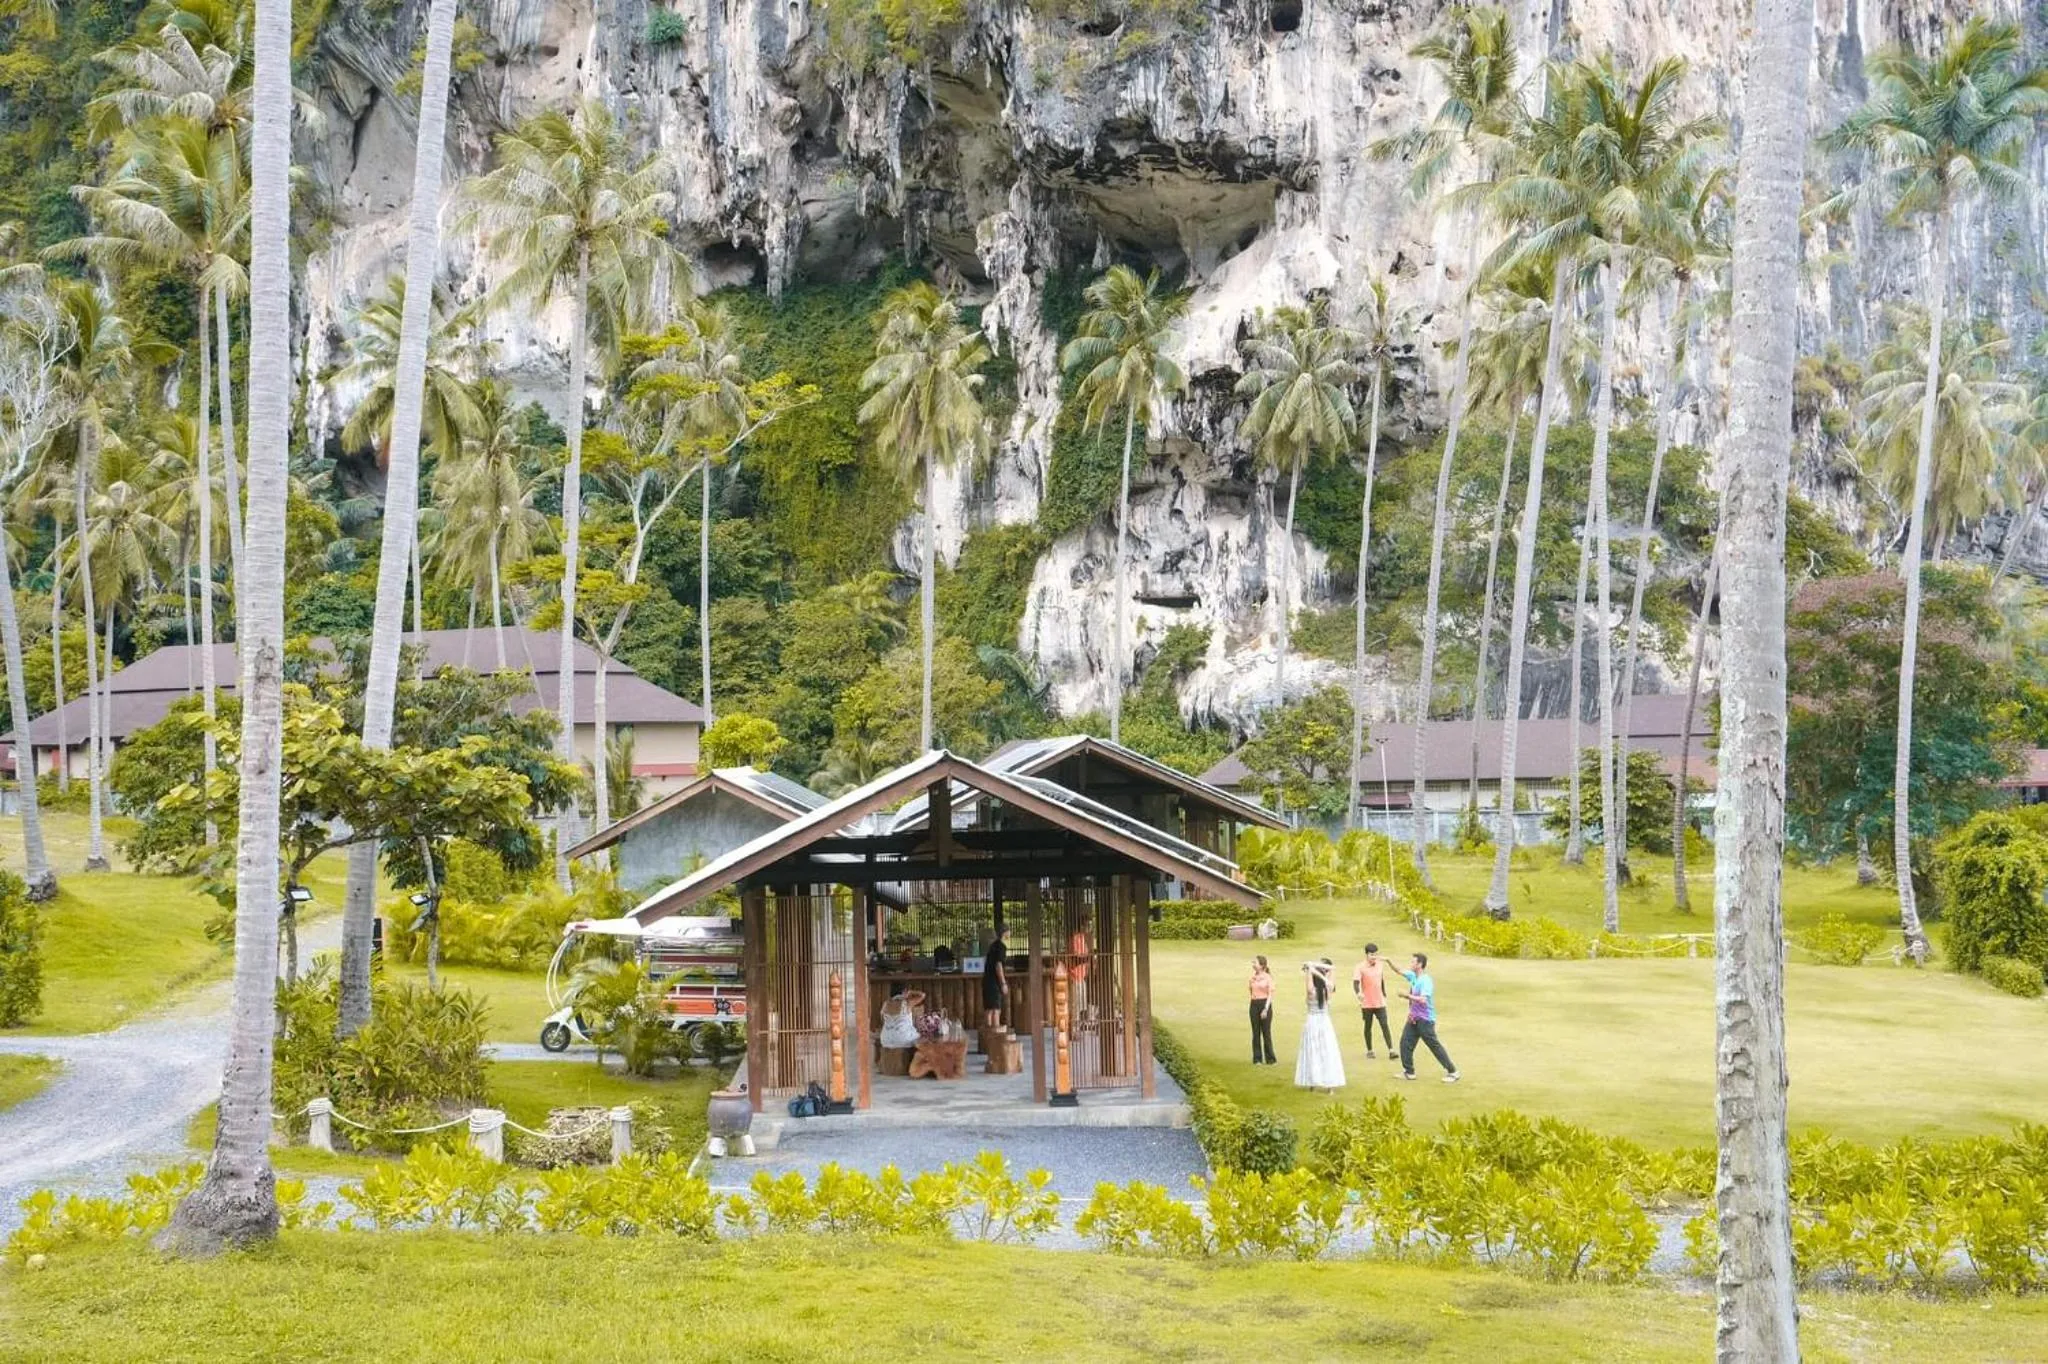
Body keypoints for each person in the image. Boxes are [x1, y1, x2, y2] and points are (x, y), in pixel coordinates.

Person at [1398, 951, 1459, 1083]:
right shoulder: (1414, 977)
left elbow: (1423, 1000)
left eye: (1413, 962)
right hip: (1414, 1018)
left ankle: (1453, 1072)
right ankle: (1409, 1072)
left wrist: (1406, 995)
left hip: (1425, 1020)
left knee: (1434, 1045)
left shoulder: (1426, 980)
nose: (1411, 964)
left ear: (1419, 964)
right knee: (1405, 1043)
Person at [1294, 959, 1346, 1093]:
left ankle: (1313, 1082)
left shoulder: (1311, 992)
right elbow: (1332, 968)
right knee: (1327, 1051)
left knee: (1313, 1051)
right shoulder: (1327, 990)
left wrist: (1311, 968)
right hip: (1324, 1023)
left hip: (1312, 1022)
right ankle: (1328, 1086)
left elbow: (1310, 979)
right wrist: (1317, 968)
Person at [1352, 942, 1394, 1060]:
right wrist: (1358, 993)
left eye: (1375, 954)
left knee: (1385, 1024)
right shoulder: (1360, 967)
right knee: (1368, 1026)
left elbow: (1381, 980)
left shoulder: (1380, 965)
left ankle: (1391, 1050)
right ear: (1366, 955)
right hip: (1367, 1003)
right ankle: (1370, 1050)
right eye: (1371, 954)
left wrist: (1384, 993)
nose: (1373, 957)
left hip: (1380, 1001)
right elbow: (1356, 983)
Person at [1248, 956, 1276, 1065]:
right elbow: (1251, 991)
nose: (1253, 964)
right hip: (1254, 1004)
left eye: (1255, 962)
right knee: (1255, 1033)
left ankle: (1270, 1058)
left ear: (1261, 965)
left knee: (1266, 1032)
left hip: (1265, 1003)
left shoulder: (1268, 978)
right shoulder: (1252, 978)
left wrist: (1265, 1008)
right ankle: (1257, 1058)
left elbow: (1270, 994)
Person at [982, 933, 1008, 1036]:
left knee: (989, 1009)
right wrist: (1003, 983)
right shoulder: (1001, 947)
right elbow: (998, 965)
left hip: (987, 981)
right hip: (994, 982)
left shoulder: (992, 946)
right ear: (1005, 933)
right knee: (995, 1010)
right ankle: (996, 1038)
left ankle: (988, 1040)